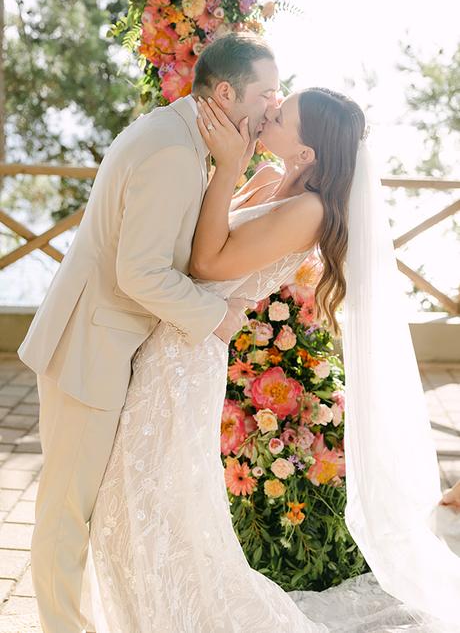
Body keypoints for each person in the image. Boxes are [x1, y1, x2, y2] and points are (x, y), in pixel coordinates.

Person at [86, 80, 460, 631]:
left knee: (158, 498)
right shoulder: (275, 181)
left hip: (187, 357)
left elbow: (206, 264)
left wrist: (227, 167)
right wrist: (239, 174)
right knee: (139, 494)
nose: (269, 115)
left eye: (282, 115)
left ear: (305, 152)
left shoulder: (308, 210)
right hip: (173, 343)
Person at [16, 32, 279, 633]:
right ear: (224, 92)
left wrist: (236, 180)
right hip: (90, 346)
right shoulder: (174, 154)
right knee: (67, 511)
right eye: (266, 93)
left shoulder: (175, 136)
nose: (272, 106)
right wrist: (216, 319)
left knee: (72, 505)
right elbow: (142, 273)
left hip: (98, 340)